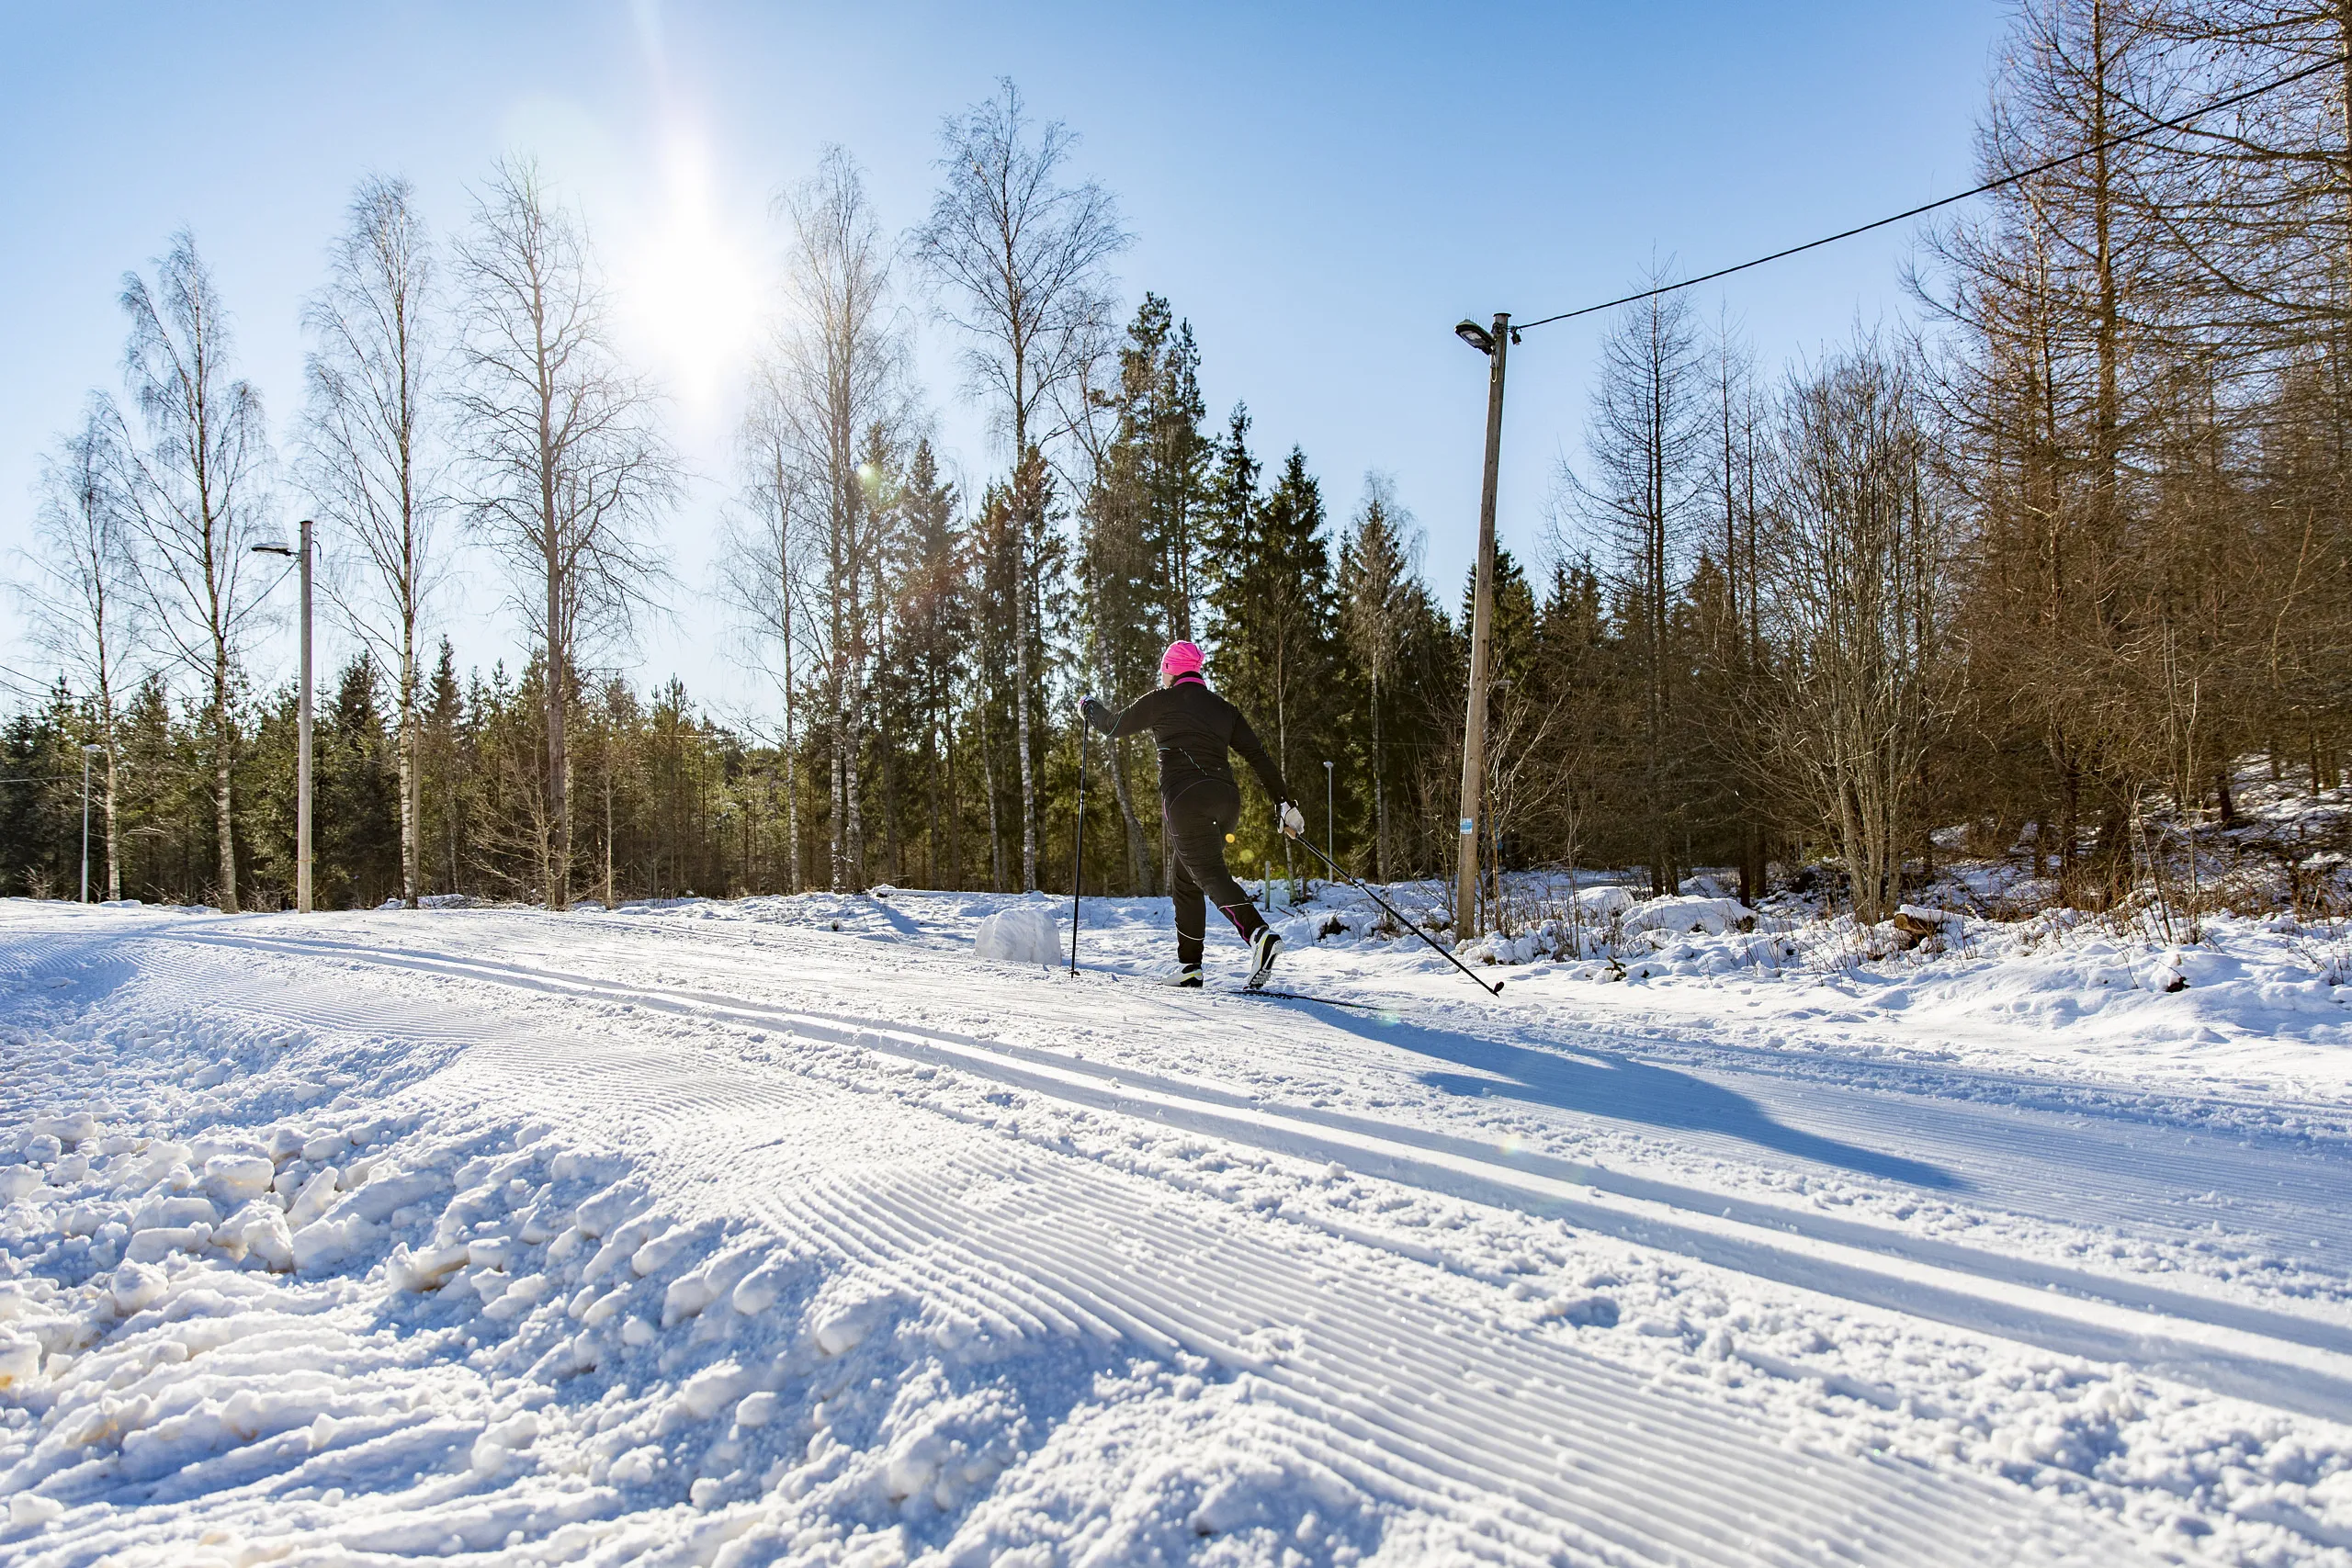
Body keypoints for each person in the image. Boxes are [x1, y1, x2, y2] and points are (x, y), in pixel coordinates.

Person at [1080, 640, 1306, 989]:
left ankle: (1260, 935)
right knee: (1186, 877)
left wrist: (1088, 706)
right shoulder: (1223, 709)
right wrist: (1283, 804)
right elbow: (1258, 757)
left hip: (1186, 800)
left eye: (1163, 669)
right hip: (1227, 801)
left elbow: (1112, 726)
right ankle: (1190, 967)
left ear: (1170, 670)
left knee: (1208, 873)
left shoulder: (1161, 699)